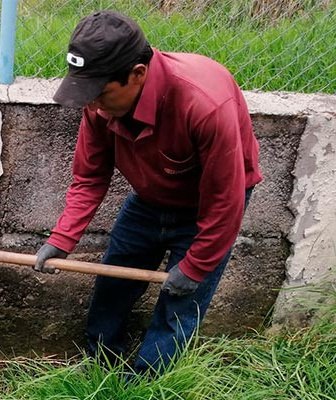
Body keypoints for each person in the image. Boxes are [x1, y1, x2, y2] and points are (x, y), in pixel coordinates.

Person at [33, 10, 261, 375]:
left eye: (100, 93)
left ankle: (147, 384)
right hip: (149, 197)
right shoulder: (101, 108)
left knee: (180, 303)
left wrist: (197, 264)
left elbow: (226, 199)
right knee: (113, 282)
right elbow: (90, 177)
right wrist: (62, 238)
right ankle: (100, 367)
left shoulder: (202, 106)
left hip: (210, 206)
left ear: (137, 74)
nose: (91, 105)